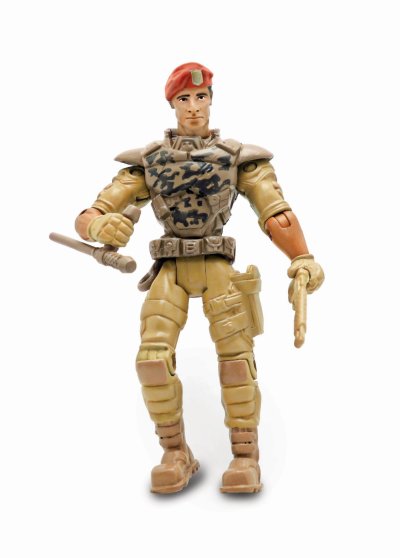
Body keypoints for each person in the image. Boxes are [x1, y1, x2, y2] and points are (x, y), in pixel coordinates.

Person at [75, 62, 324, 494]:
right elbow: (92, 212)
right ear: (172, 104)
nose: (193, 106)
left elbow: (275, 211)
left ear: (211, 99)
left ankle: (245, 456)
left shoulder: (238, 157)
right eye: (184, 98)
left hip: (217, 266)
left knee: (236, 363)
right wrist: (98, 226)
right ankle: (175, 453)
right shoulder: (148, 161)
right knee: (152, 361)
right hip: (170, 269)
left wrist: (301, 256)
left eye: (201, 96)